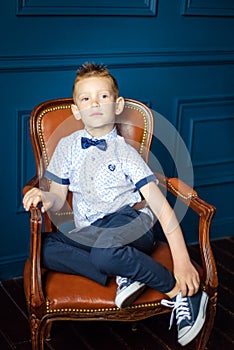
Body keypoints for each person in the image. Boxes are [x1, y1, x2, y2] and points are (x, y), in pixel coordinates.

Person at [23, 62, 208, 346]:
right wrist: (44, 197)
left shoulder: (124, 152)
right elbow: (58, 196)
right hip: (91, 231)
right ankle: (128, 271)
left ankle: (181, 293)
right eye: (86, 98)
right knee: (44, 248)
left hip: (132, 223)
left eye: (103, 97)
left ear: (117, 105)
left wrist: (182, 262)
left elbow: (160, 206)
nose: (94, 103)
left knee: (105, 252)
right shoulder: (67, 147)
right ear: (76, 109)